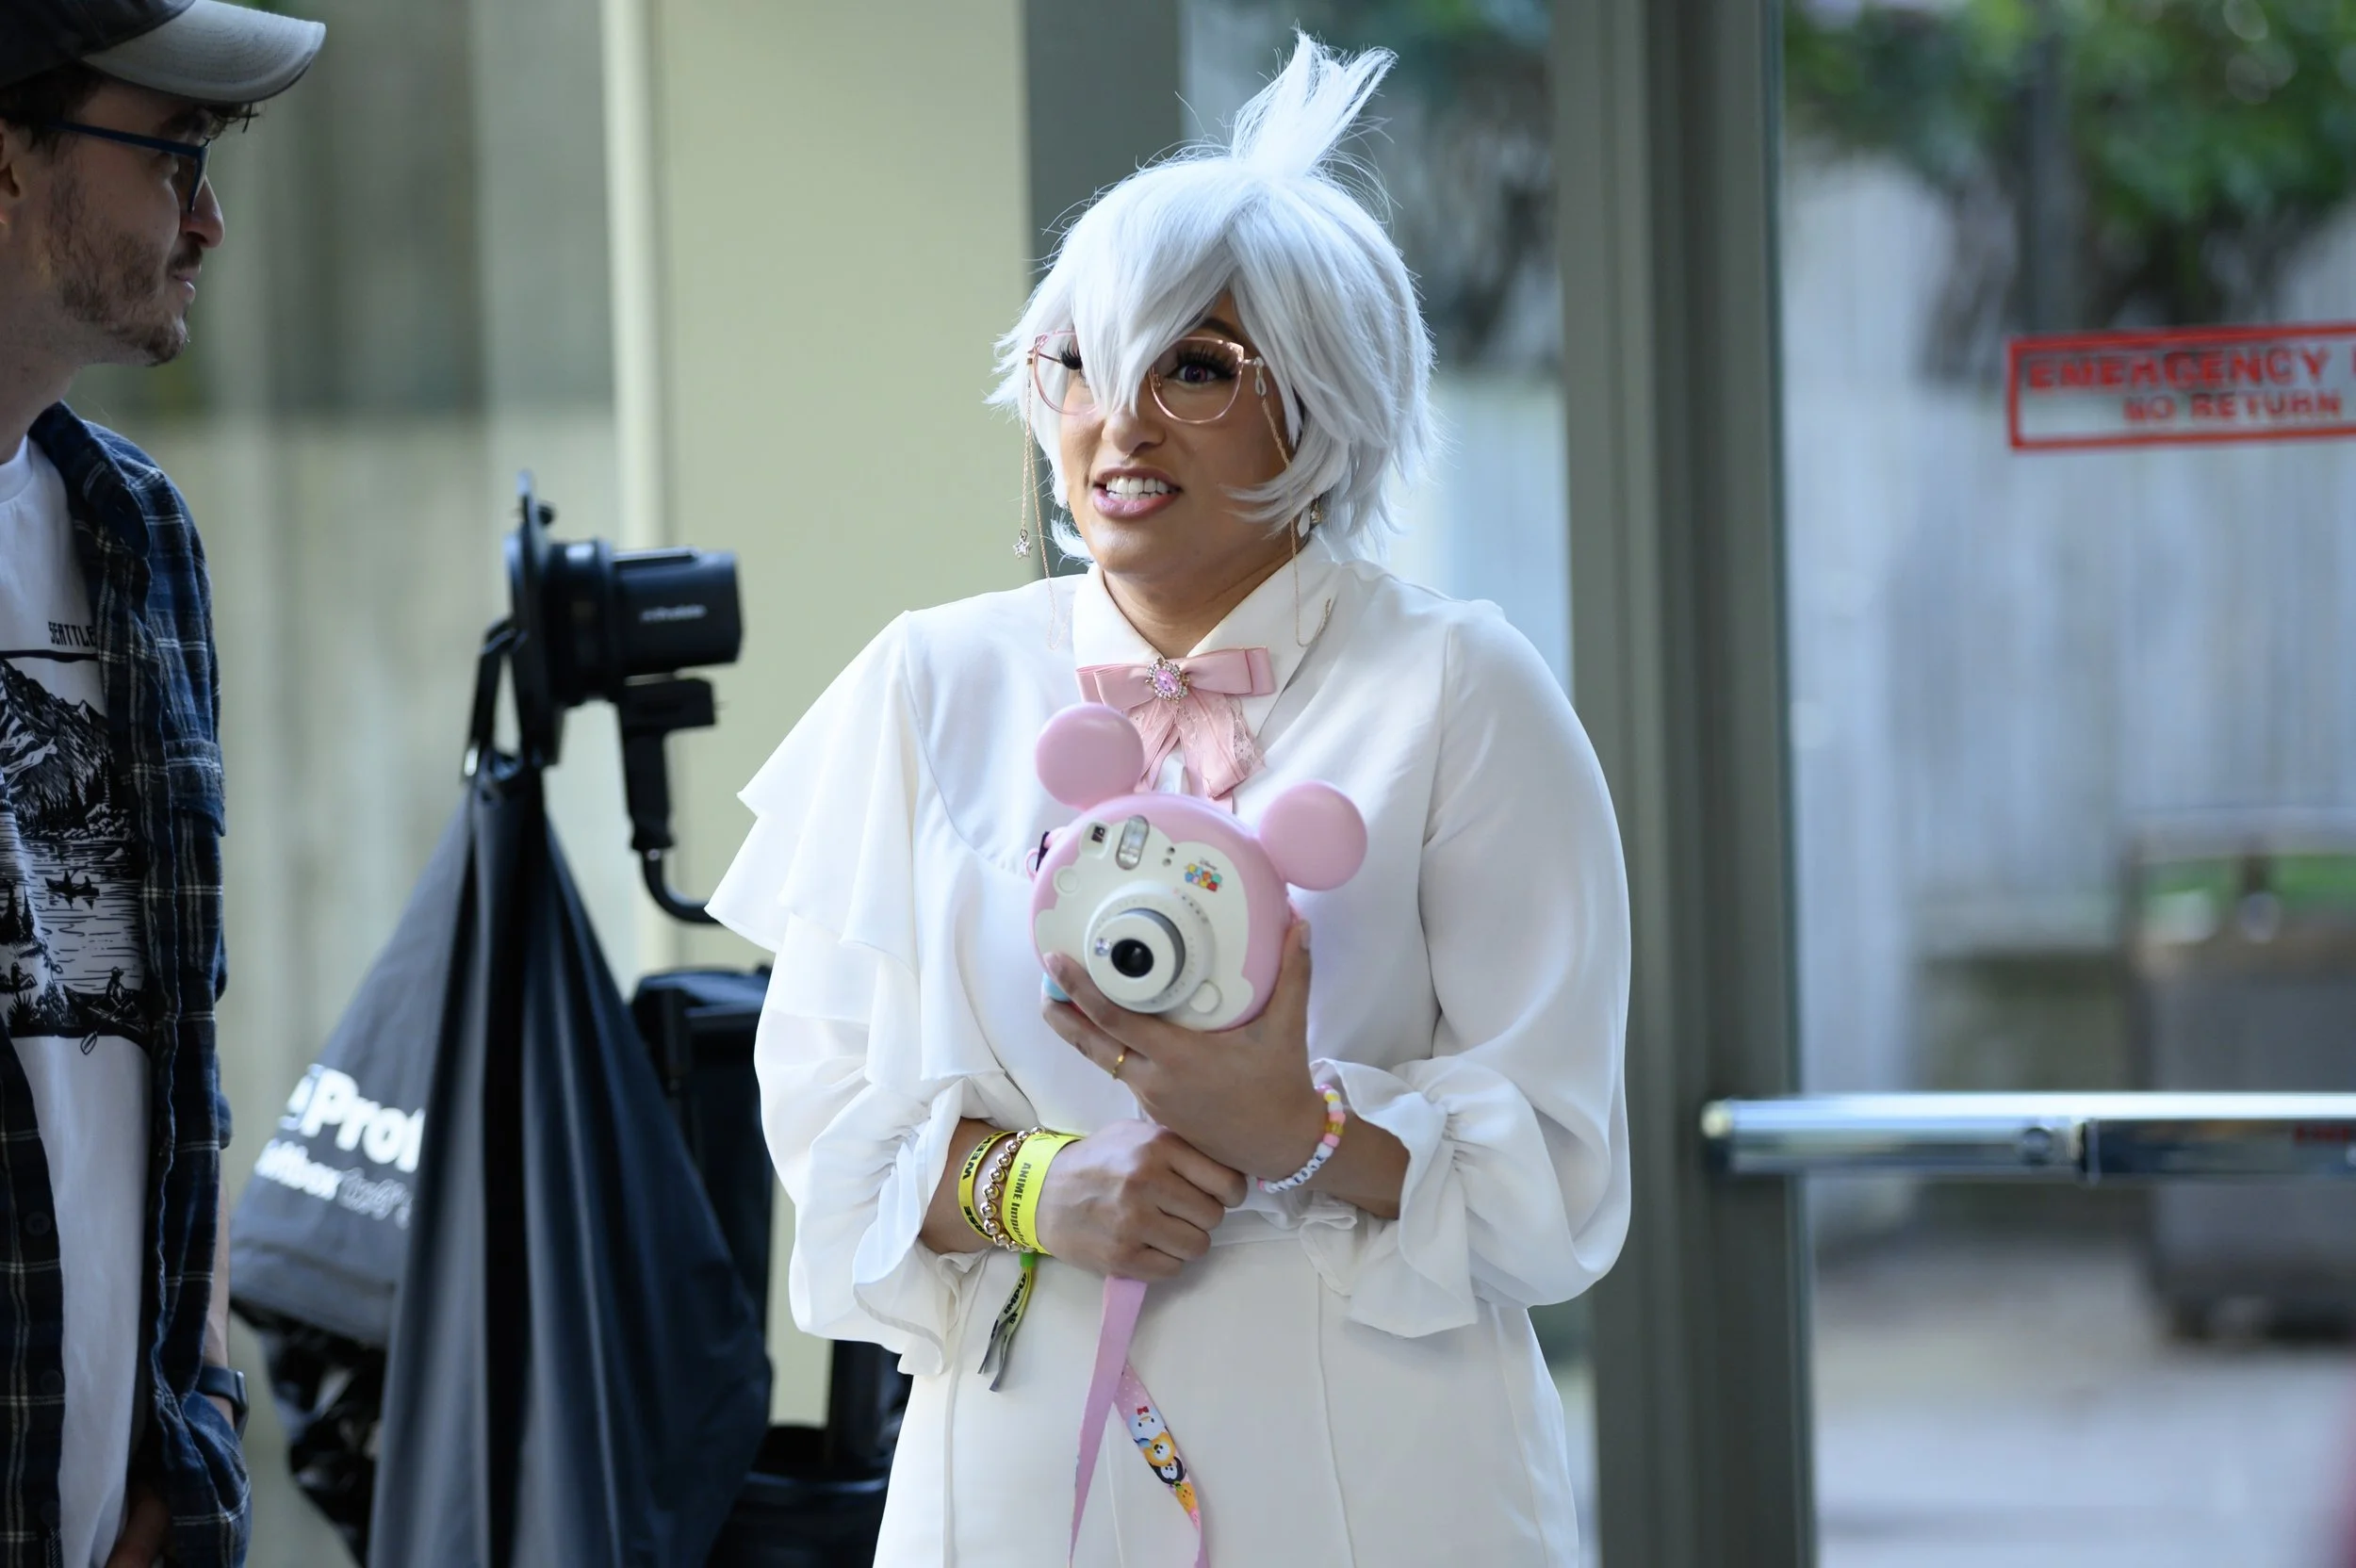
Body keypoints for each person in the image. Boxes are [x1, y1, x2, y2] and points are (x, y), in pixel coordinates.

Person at [710, 35, 1629, 1566]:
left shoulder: (1458, 687)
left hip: (1388, 1488)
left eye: (1192, 367)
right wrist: (1035, 1188)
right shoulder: (924, 684)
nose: (1117, 424)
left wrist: (1301, 1127)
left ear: (1319, 404)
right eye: (1078, 361)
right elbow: (823, 1112)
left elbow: (1556, 1170)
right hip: (1019, 1485)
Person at [0, 4, 326, 1564]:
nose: (207, 222)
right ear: (6, 158)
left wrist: (180, 1438)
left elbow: (168, 1039)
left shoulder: (130, 529)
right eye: (173, 154)